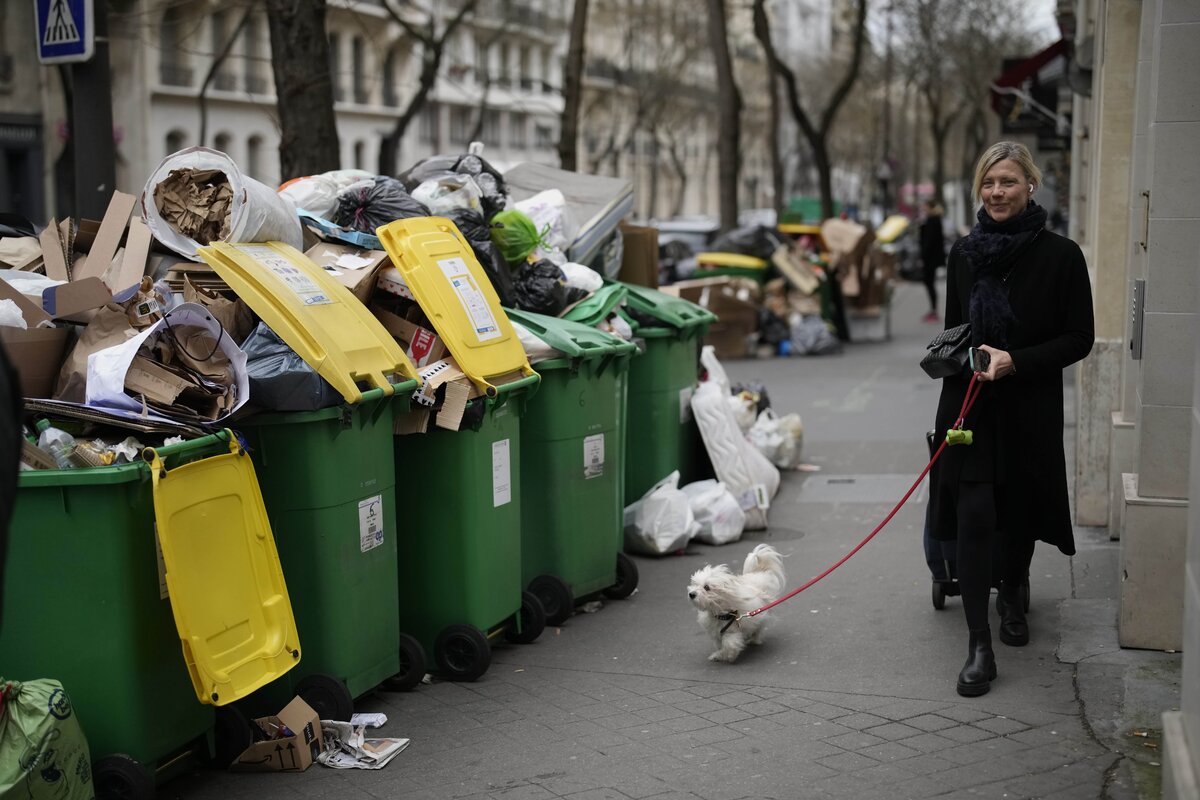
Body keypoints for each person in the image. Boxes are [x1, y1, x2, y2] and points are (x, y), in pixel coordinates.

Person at [927, 141, 1094, 697]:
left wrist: (1015, 360)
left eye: (1008, 182)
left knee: (1018, 511)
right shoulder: (963, 254)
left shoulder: (1062, 256)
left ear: (1030, 187)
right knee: (973, 516)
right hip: (969, 404)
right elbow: (956, 327)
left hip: (1028, 405)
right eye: (988, 183)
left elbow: (1079, 339)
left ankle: (1015, 588)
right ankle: (979, 644)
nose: (997, 192)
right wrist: (948, 355)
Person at [919, 200, 946, 323]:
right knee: (929, 283)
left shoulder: (932, 221)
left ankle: (933, 311)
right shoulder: (935, 220)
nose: (923, 209)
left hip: (930, 259)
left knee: (929, 283)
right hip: (932, 259)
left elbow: (928, 242)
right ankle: (933, 310)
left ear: (930, 207)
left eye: (925, 207)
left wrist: (922, 258)